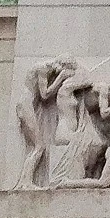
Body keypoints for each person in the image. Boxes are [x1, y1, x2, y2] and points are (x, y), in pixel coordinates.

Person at [14, 57, 77, 188]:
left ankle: (25, 181)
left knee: (36, 146)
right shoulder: (43, 68)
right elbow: (45, 94)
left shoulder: (44, 69)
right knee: (39, 146)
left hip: (28, 105)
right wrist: (61, 78)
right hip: (26, 106)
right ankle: (25, 182)